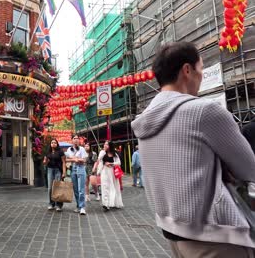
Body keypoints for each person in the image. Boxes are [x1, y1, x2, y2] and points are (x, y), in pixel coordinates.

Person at [131, 42, 255, 256]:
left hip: (173, 233)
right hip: (216, 237)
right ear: (187, 70)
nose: (202, 77)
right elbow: (249, 168)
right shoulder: (205, 111)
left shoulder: (144, 121)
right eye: (201, 69)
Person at [96, 140, 123, 211]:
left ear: (110, 146)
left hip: (112, 172)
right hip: (104, 171)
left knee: (113, 187)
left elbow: (119, 163)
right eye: (104, 144)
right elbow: (99, 160)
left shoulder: (114, 154)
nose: (105, 145)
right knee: (105, 187)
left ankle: (114, 202)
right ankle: (106, 204)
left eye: (107, 144)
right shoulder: (102, 152)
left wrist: (111, 164)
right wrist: (103, 152)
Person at [65, 134, 88, 215]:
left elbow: (85, 160)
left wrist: (77, 159)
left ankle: (82, 207)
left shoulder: (82, 149)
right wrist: (74, 159)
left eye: (77, 138)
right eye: (74, 138)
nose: (76, 140)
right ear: (72, 140)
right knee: (75, 189)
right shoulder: (69, 149)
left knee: (81, 189)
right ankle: (78, 205)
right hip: (73, 169)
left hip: (81, 168)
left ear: (79, 140)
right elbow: (66, 159)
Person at [43, 138, 66, 212]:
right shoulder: (48, 152)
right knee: (50, 187)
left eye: (55, 143)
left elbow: (63, 162)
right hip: (50, 170)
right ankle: (51, 203)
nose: (53, 144)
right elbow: (45, 163)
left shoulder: (60, 152)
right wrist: (45, 161)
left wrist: (64, 172)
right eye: (52, 142)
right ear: (50, 144)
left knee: (57, 187)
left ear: (57, 144)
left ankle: (59, 205)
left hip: (58, 170)